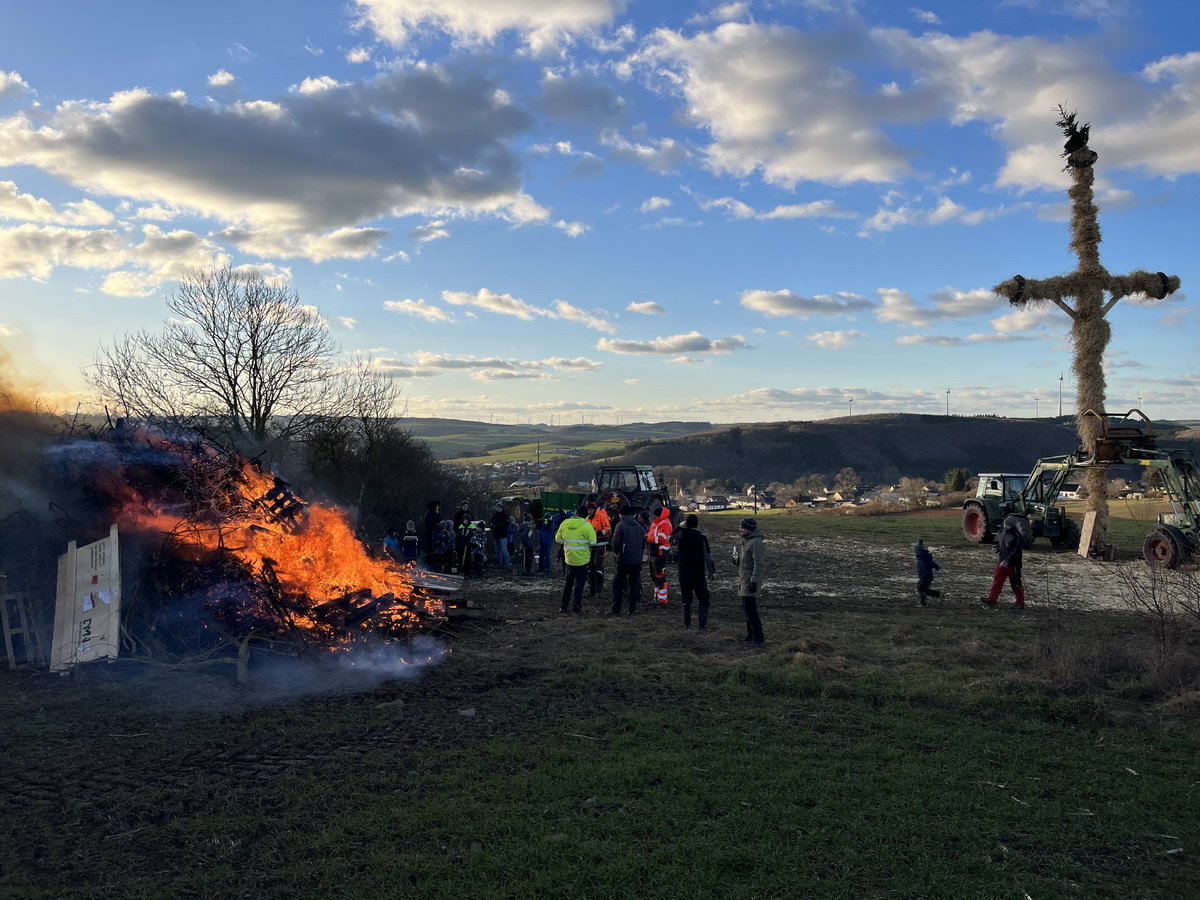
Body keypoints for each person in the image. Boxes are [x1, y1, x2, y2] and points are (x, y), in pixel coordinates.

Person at [555, 505, 596, 613]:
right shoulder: (587, 525)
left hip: (569, 558)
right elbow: (593, 542)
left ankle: (563, 606)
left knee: (568, 583)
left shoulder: (565, 523)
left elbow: (558, 539)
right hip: (582, 560)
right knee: (579, 585)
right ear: (585, 515)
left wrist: (567, 543)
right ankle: (576, 607)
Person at [674, 513, 713, 629]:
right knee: (704, 599)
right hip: (697, 574)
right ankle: (702, 626)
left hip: (683, 573)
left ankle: (687, 625)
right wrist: (712, 571)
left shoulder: (679, 537)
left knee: (686, 600)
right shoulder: (701, 538)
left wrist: (679, 527)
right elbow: (708, 556)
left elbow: (668, 537)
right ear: (697, 524)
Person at [609, 505, 646, 616]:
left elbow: (615, 543)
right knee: (633, 585)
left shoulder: (620, 526)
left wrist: (617, 553)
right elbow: (643, 545)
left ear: (621, 514)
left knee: (618, 584)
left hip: (624, 560)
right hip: (636, 560)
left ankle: (616, 609)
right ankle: (632, 608)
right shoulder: (639, 527)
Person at [983, 515, 1026, 608]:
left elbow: (1015, 550)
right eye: (1005, 524)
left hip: (1013, 564)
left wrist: (1008, 560)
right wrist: (997, 548)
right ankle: (992, 599)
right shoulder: (1002, 532)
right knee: (997, 580)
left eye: (1008, 525)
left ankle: (1020, 602)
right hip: (1001, 561)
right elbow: (1001, 544)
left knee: (1015, 583)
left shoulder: (1016, 536)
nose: (1006, 526)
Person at [736, 517, 765, 645]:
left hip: (750, 581)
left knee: (750, 609)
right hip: (744, 580)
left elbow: (758, 564)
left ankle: (759, 638)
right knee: (746, 608)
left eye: (742, 528)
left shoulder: (756, 543)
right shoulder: (746, 542)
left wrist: (754, 581)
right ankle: (750, 634)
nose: (740, 530)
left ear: (749, 529)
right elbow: (746, 562)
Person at [646, 505, 673, 605]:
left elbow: (660, 539)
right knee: (654, 576)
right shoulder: (656, 524)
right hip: (653, 553)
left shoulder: (665, 524)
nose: (653, 517)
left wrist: (647, 539)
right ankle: (657, 597)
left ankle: (662, 599)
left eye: (655, 516)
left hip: (659, 553)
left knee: (659, 575)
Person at [586, 500, 612, 597]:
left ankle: (599, 591)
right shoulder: (586, 519)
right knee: (589, 568)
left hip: (600, 544)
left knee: (598, 567)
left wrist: (599, 533)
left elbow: (608, 529)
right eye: (588, 510)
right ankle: (591, 590)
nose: (589, 512)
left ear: (594, 509)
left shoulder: (601, 516)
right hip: (590, 546)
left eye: (591, 509)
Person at [914, 539, 942, 606]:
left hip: (925, 577)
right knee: (924, 590)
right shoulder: (924, 558)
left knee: (920, 588)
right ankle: (936, 594)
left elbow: (927, 566)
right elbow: (932, 564)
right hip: (926, 577)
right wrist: (936, 567)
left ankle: (923, 603)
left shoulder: (923, 559)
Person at [489, 502, 511, 570]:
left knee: (504, 550)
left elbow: (506, 524)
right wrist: (492, 525)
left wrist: (497, 525)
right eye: (497, 508)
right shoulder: (495, 516)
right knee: (497, 550)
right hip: (496, 535)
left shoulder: (505, 516)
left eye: (499, 508)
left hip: (503, 535)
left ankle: (507, 564)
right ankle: (499, 563)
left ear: (501, 508)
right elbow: (490, 522)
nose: (498, 509)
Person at [453, 500, 473, 573]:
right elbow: (458, 534)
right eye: (464, 506)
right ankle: (460, 569)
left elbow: (471, 535)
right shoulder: (460, 526)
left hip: (467, 545)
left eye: (467, 506)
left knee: (467, 557)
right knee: (460, 557)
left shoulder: (471, 527)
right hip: (461, 544)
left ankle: (466, 570)